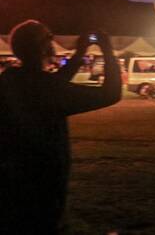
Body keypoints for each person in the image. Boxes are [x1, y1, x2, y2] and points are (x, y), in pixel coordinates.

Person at [0, 21, 122, 233]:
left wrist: (80, 52)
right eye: (50, 37)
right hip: (43, 181)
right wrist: (107, 51)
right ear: (44, 47)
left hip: (9, 178)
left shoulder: (9, 80)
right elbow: (110, 93)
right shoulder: (48, 88)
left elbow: (53, 83)